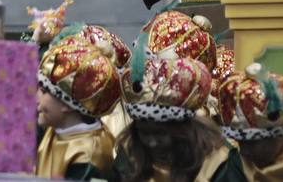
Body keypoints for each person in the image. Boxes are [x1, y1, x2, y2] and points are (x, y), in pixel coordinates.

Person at [117, 10, 242, 182]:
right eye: (145, 133)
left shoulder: (217, 163)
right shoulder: (129, 154)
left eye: (161, 133)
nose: (152, 142)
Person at [36, 28, 130, 180]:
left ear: (65, 103)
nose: (36, 98)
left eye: (44, 91)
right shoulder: (58, 127)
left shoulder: (89, 157)